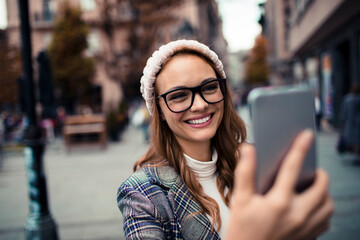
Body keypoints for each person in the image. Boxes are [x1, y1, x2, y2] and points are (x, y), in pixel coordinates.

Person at [117, 39, 333, 239]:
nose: (200, 105)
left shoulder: (259, 163)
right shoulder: (142, 193)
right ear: (160, 111)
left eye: (209, 87)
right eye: (179, 96)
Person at [338, 84, 360, 163]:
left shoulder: (347, 99)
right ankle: (358, 156)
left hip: (349, 123)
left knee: (353, 140)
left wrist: (341, 122)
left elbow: (344, 112)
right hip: (357, 123)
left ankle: (356, 155)